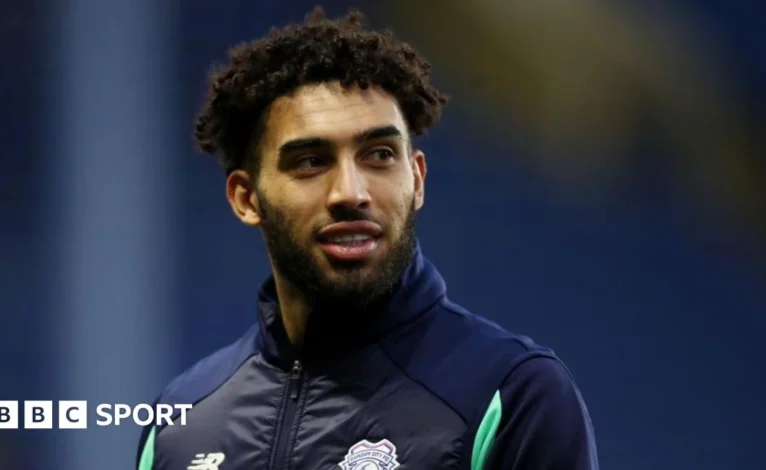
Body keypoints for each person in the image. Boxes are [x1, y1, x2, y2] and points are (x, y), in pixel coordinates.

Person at [136, 7, 599, 470]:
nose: (351, 193)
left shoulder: (512, 395)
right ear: (246, 198)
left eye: (379, 155)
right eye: (311, 162)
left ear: (417, 180)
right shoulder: (179, 420)